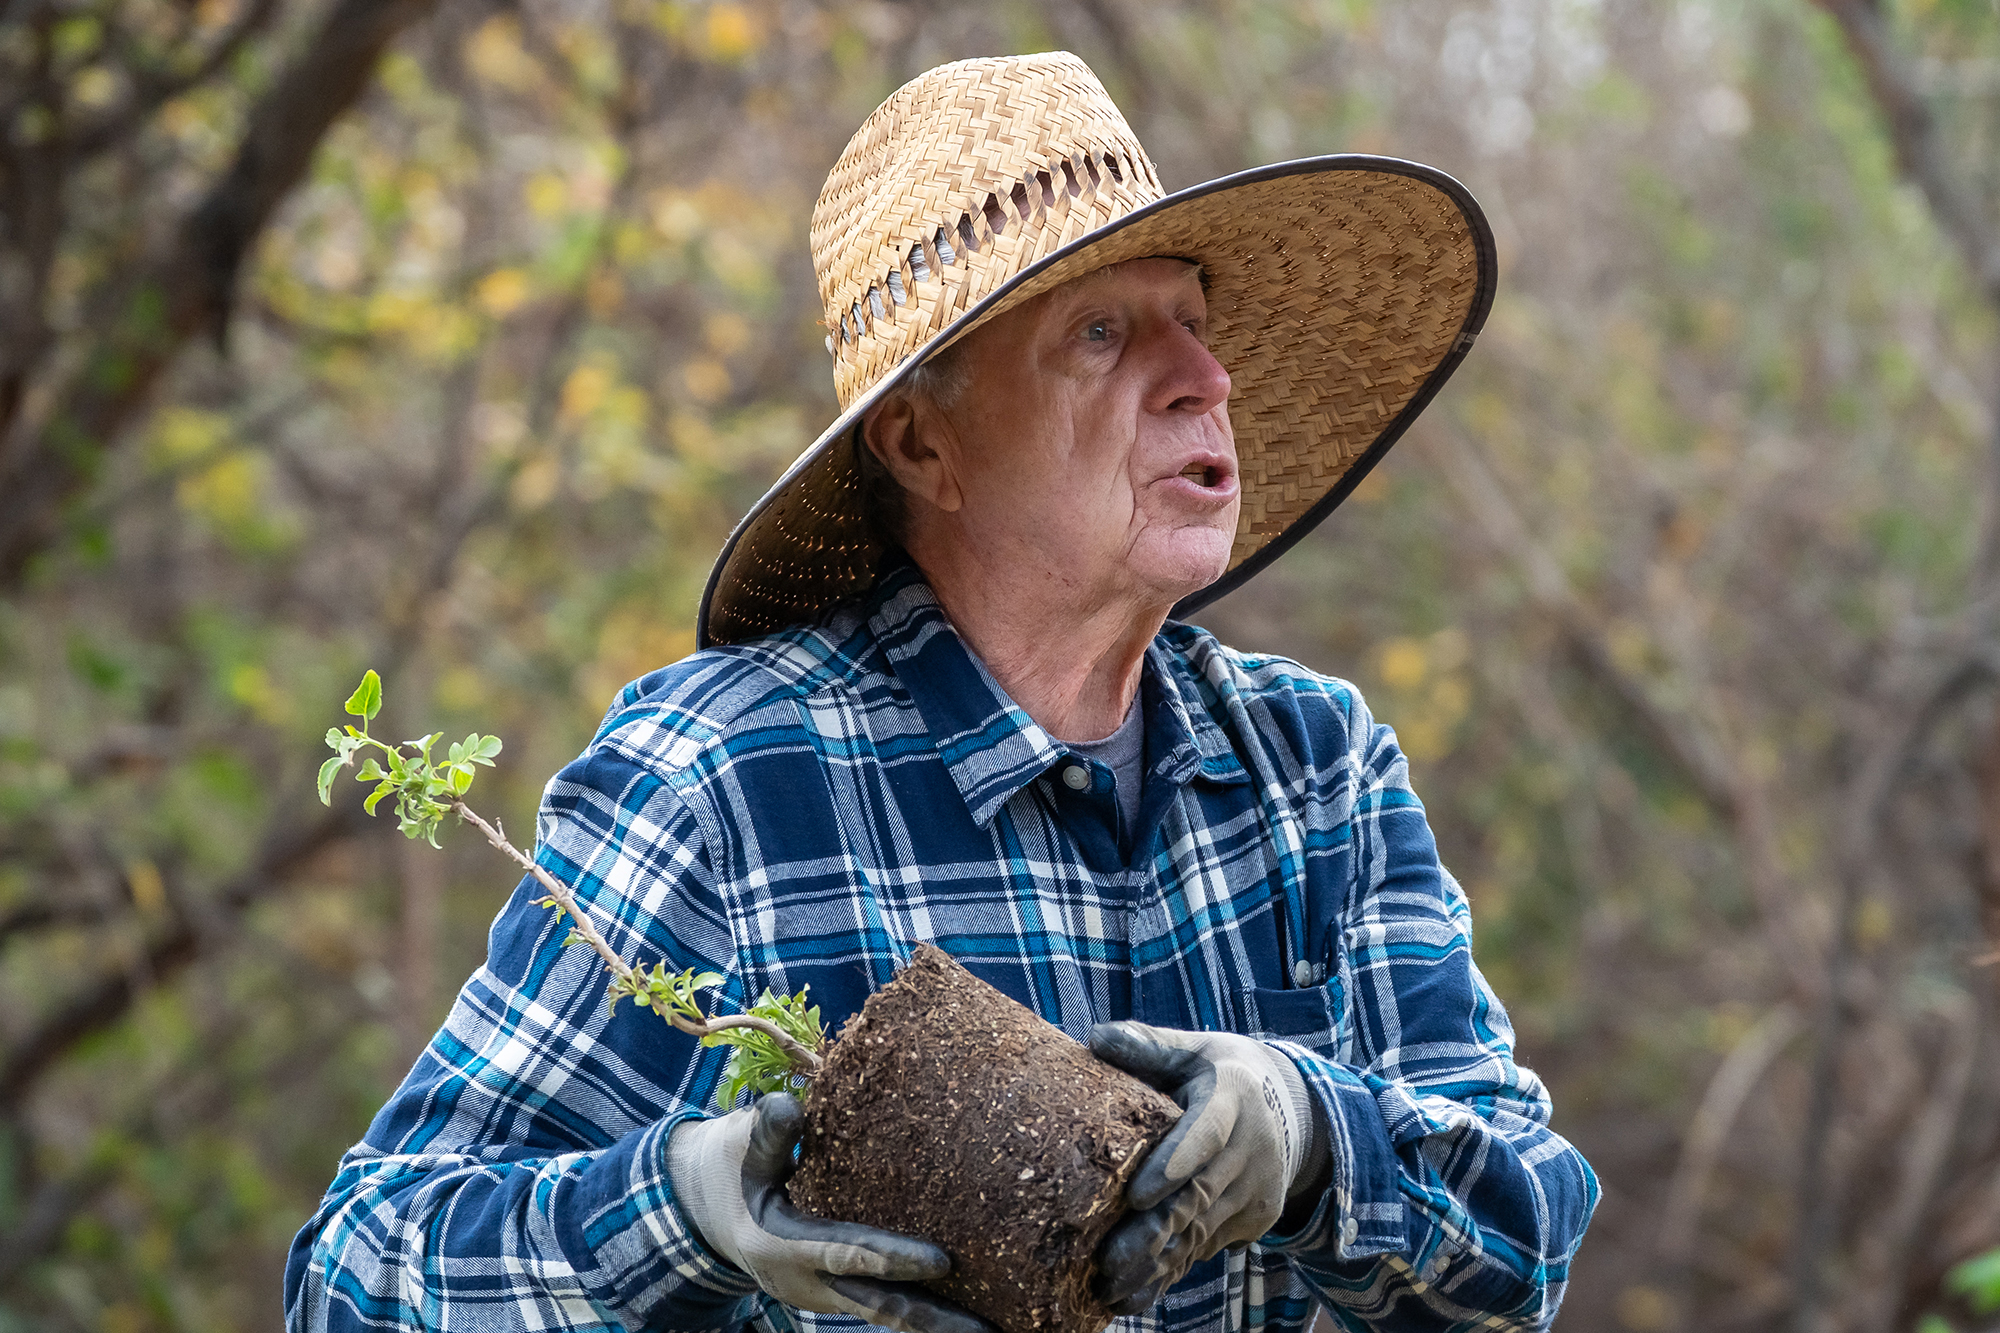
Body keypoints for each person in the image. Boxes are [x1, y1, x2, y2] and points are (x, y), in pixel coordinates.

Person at [286, 51, 1597, 1333]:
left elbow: (1528, 1241)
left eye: (1192, 322)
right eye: (1103, 332)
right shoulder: (732, 780)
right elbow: (358, 1274)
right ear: (924, 442)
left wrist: (1317, 1141)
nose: (1209, 378)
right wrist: (673, 1215)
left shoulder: (1318, 769)